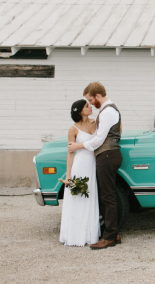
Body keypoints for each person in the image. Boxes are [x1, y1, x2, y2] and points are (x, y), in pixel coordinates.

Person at [68, 82, 122, 250]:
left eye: (90, 99)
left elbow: (99, 139)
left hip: (107, 155)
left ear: (97, 96)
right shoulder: (110, 110)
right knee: (106, 196)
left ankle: (109, 237)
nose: (90, 103)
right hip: (108, 154)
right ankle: (114, 233)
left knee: (107, 197)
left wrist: (78, 146)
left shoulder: (107, 112)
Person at [59, 99, 100, 247]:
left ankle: (90, 234)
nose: (90, 107)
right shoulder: (73, 129)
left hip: (93, 164)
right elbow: (71, 153)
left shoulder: (96, 123)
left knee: (91, 198)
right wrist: (68, 175)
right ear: (79, 111)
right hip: (80, 165)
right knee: (79, 199)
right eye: (87, 106)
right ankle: (76, 235)